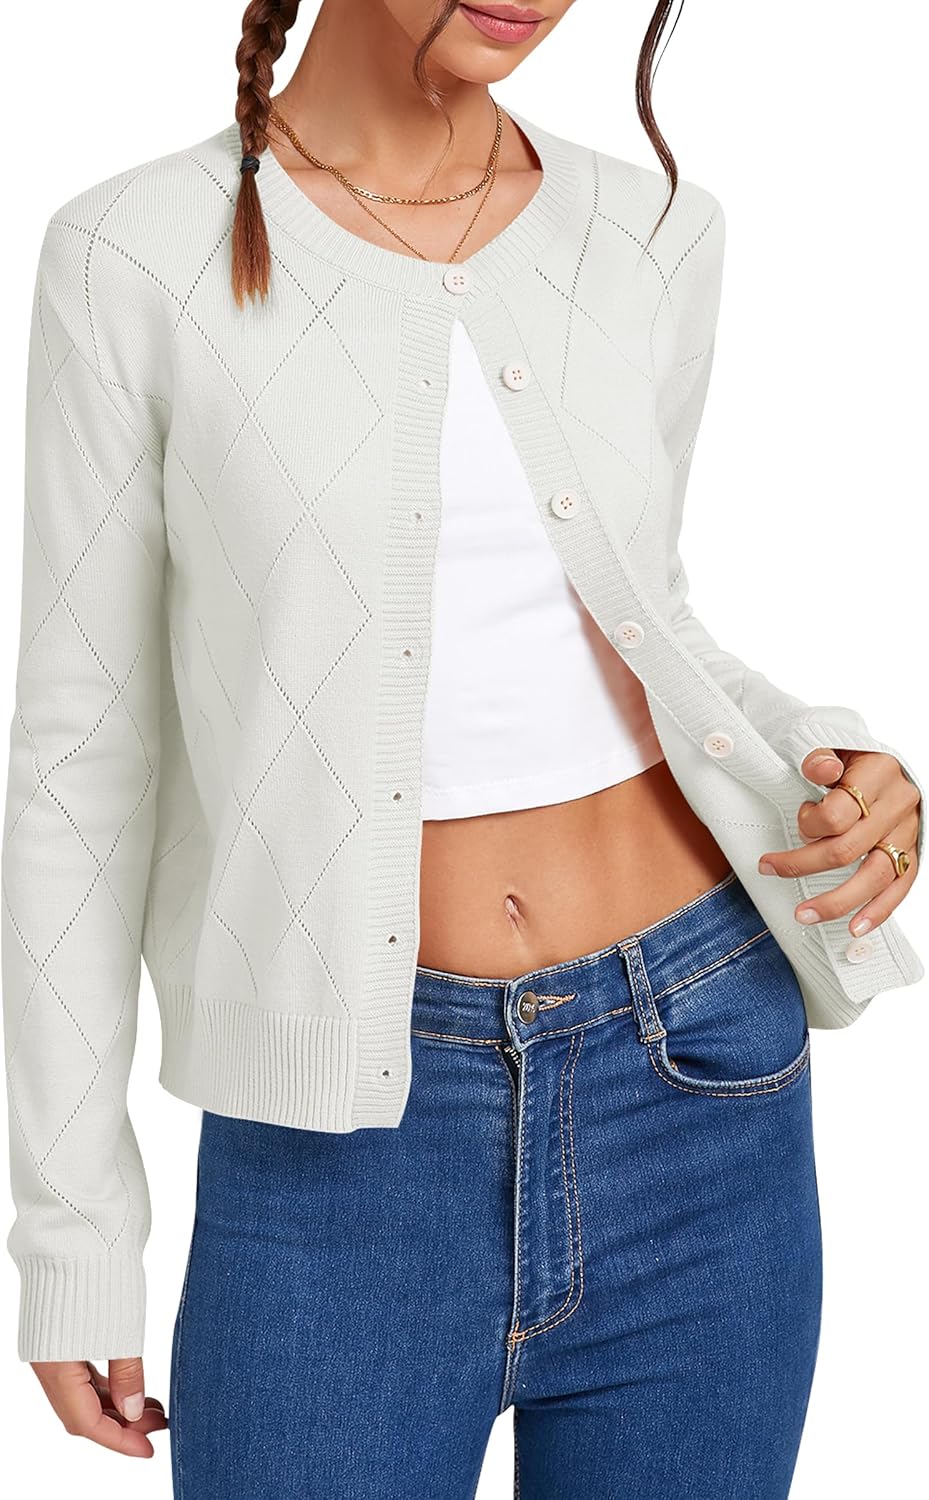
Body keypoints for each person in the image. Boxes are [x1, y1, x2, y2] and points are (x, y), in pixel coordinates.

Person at [2, 2, 923, 1495]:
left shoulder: (649, 232)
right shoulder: (133, 254)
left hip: (697, 1083)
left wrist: (827, 759)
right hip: (333, 1145)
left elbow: (635, 618)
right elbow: (77, 766)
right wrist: (72, 1234)